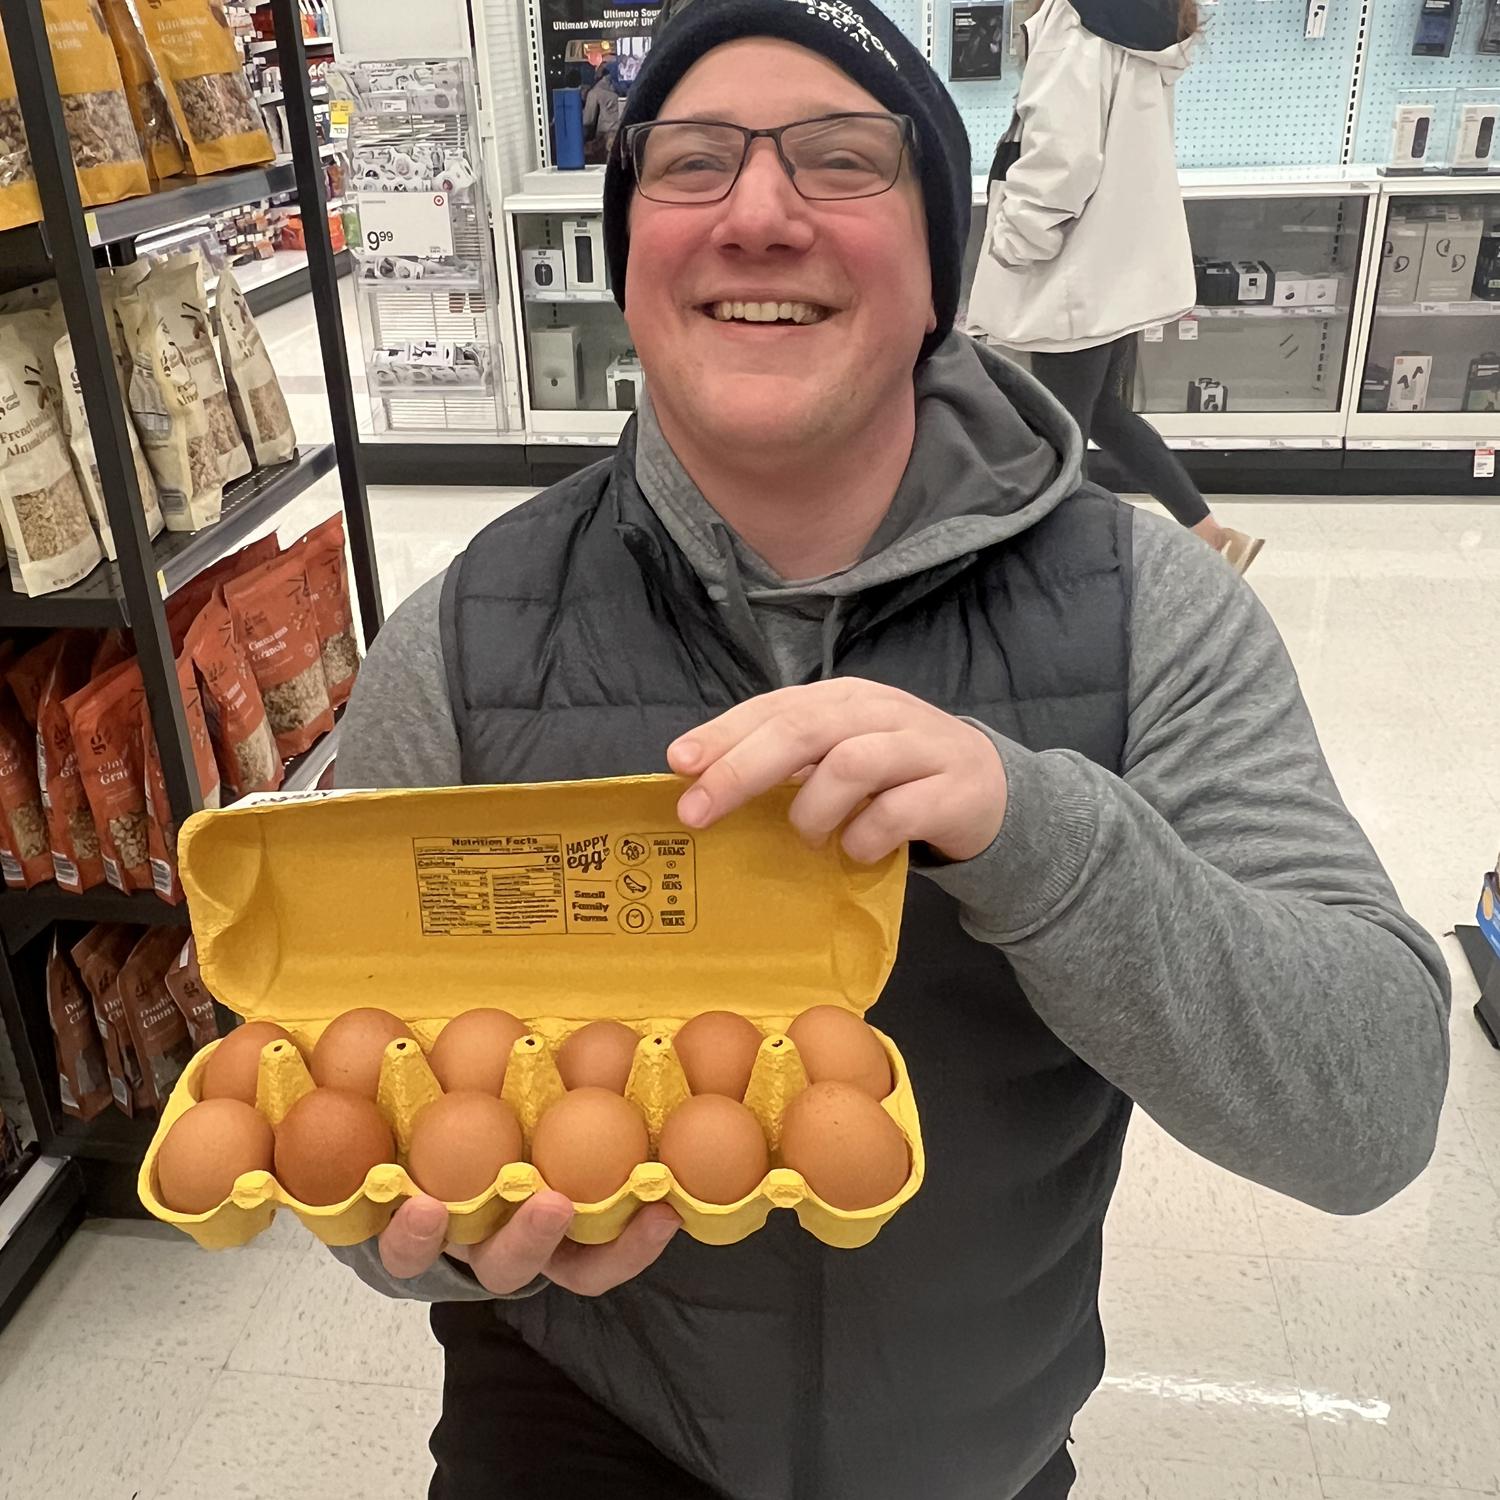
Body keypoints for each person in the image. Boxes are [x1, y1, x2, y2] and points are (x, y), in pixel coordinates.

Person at [332, 1, 1449, 1495]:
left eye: (844, 161)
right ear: (630, 256)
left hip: (978, 1460)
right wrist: (431, 1238)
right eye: (691, 162)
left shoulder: (1146, 615)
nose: (760, 213)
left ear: (941, 267)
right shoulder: (461, 640)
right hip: (572, 1433)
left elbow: (1368, 1113)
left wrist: (1043, 838)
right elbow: (342, 1106)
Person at [966, 0, 1263, 573]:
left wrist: (1012, 243)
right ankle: (1213, 536)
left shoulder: (1075, 24)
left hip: (1069, 269)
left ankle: (1053, 573)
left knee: (1060, 435)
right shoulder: (1140, 25)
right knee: (1102, 412)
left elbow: (1061, 157)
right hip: (1114, 265)